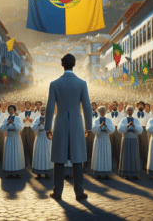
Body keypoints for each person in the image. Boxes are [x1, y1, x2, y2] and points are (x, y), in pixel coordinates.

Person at [45, 53, 92, 202]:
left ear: (62, 65)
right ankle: (79, 192)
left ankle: (57, 192)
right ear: (74, 64)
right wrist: (88, 127)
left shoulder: (54, 83)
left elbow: (50, 107)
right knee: (77, 160)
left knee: (59, 160)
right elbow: (87, 107)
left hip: (60, 124)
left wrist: (47, 127)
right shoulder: (82, 83)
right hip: (77, 124)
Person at [0, 104, 25, 178]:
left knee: (17, 154)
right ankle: (9, 172)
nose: (10, 111)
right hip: (9, 138)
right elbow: (1, 128)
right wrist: (7, 123)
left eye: (12, 109)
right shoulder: (5, 119)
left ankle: (17, 172)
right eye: (9, 109)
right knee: (9, 154)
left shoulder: (18, 118)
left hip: (16, 138)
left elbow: (20, 128)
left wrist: (13, 123)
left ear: (14, 110)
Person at [118, 105, 142, 179]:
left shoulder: (136, 120)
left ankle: (134, 173)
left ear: (133, 111)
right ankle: (126, 173)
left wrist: (134, 126)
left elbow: (140, 130)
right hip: (126, 139)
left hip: (134, 139)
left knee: (134, 155)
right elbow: (119, 129)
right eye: (128, 110)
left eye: (131, 110)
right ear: (126, 111)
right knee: (126, 156)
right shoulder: (123, 120)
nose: (130, 112)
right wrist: (127, 126)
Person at [91, 106, 115, 180]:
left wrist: (106, 126)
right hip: (98, 138)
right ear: (99, 112)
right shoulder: (95, 120)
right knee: (98, 155)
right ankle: (98, 172)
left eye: (103, 111)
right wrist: (100, 126)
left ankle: (106, 173)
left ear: (105, 112)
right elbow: (93, 129)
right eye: (100, 111)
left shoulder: (108, 120)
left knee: (106, 155)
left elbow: (112, 129)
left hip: (105, 138)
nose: (102, 112)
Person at [31, 106, 53, 179]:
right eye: (41, 110)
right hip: (39, 137)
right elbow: (33, 128)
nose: (42, 111)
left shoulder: (49, 118)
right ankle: (39, 173)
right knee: (39, 154)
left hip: (46, 137)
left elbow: (51, 127)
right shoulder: (37, 119)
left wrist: (44, 124)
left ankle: (47, 173)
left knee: (47, 154)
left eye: (43, 110)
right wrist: (39, 124)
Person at [106, 101, 121, 170]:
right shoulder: (107, 115)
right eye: (113, 105)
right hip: (111, 130)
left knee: (118, 148)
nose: (114, 106)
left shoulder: (121, 115)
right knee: (110, 147)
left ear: (117, 106)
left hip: (118, 131)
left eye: (115, 105)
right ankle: (110, 165)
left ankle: (118, 165)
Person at [20, 101, 35, 169]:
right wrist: (23, 121)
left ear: (30, 105)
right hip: (24, 129)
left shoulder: (34, 114)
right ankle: (24, 163)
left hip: (31, 129)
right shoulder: (22, 114)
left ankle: (32, 163)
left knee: (31, 146)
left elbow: (35, 122)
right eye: (27, 104)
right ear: (25, 105)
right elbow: (19, 122)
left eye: (29, 104)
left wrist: (32, 121)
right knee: (24, 146)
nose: (28, 105)